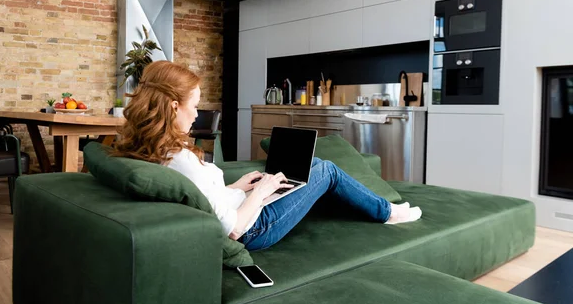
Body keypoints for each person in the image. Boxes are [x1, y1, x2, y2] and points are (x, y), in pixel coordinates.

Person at [114, 61, 422, 251]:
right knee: (325, 169)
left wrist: (239, 187)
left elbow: (200, 199)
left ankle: (368, 206)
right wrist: (261, 193)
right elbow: (233, 230)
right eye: (194, 105)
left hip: (243, 205)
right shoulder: (180, 159)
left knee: (309, 165)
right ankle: (387, 213)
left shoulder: (154, 148)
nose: (197, 113)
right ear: (172, 105)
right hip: (256, 227)